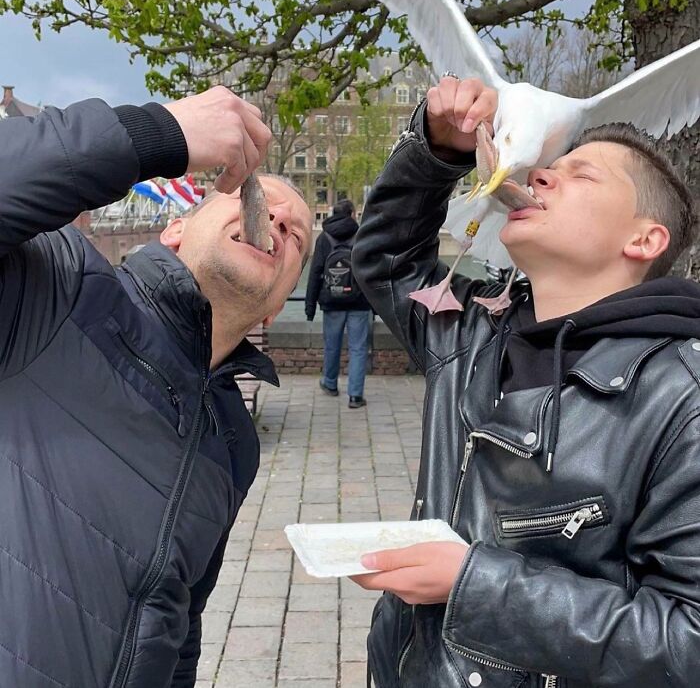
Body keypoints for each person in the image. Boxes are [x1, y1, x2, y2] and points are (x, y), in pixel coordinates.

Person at [351, 75, 700, 688]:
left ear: (645, 240)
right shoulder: (466, 332)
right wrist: (437, 149)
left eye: (581, 175)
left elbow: (686, 640)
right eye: (547, 167)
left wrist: (472, 584)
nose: (540, 174)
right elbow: (386, 261)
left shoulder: (682, 398)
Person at [0, 86, 312, 688]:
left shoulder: (233, 440)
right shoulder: (59, 289)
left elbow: (178, 617)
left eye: (296, 236)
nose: (276, 220)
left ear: (277, 304)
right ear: (174, 232)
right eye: (258, 199)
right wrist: (152, 135)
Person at [305, 198, 371, 408]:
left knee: (332, 346)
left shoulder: (324, 238)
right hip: (359, 302)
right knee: (358, 348)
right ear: (352, 213)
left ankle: (330, 384)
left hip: (331, 300)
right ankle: (355, 396)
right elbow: (370, 271)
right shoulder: (362, 235)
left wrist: (310, 307)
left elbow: (315, 273)